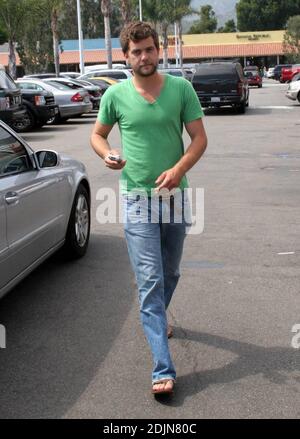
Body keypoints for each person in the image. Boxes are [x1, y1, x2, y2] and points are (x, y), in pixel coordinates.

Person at [90, 21, 207, 395]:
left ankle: (154, 315)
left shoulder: (181, 89)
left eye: (149, 49)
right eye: (136, 51)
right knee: (151, 279)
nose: (144, 56)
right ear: (126, 56)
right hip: (136, 198)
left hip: (174, 196)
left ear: (160, 50)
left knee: (170, 273)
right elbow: (97, 134)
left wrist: (178, 169)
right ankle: (162, 368)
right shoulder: (116, 96)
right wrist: (106, 152)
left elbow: (199, 138)